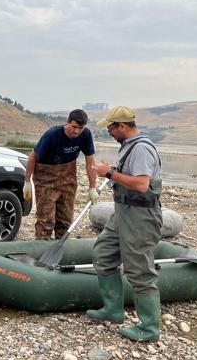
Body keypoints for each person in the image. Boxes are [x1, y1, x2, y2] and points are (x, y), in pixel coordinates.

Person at [85, 106, 163, 342]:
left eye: (110, 127)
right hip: (122, 214)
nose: (108, 131)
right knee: (104, 254)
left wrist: (109, 174)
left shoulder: (141, 148)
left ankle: (149, 328)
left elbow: (141, 184)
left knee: (140, 270)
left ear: (122, 126)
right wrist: (113, 172)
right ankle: (113, 310)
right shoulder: (129, 147)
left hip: (141, 217)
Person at [23, 109, 97, 240]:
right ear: (67, 123)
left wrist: (92, 187)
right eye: (74, 127)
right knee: (45, 219)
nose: (76, 131)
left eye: (80, 128)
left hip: (68, 178)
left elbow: (90, 160)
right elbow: (33, 157)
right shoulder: (52, 135)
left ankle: (61, 248)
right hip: (46, 178)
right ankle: (42, 244)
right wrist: (27, 181)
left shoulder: (85, 135)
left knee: (65, 220)